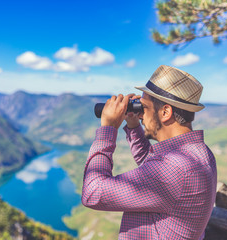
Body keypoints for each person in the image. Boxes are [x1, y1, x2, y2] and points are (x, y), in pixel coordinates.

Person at [82, 65, 217, 239]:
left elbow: (92, 193)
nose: (141, 114)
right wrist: (132, 124)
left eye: (143, 107)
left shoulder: (174, 168)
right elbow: (150, 164)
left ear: (166, 112)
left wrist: (108, 130)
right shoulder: (199, 153)